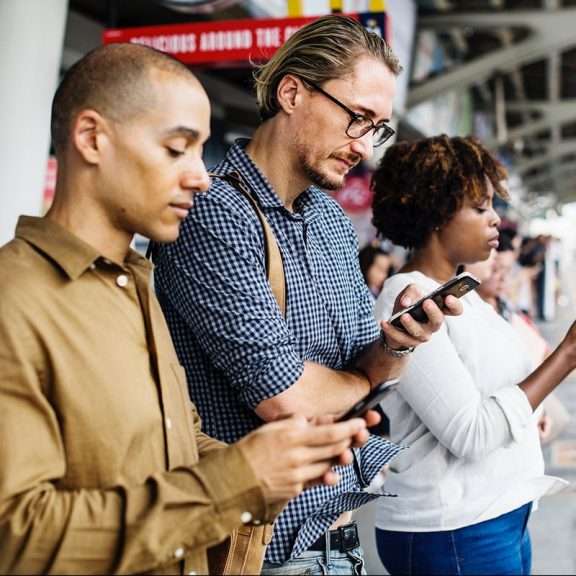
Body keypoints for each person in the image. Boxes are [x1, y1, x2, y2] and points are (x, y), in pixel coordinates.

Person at [0, 43, 381, 576]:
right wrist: (237, 478)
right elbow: (17, 535)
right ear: (91, 138)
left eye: (201, 152)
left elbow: (172, 442)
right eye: (177, 149)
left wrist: (282, 459)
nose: (201, 176)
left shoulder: (131, 287)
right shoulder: (15, 300)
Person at [152, 15, 461, 574]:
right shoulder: (216, 213)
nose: (364, 146)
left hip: (337, 543)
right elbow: (286, 398)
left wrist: (399, 343)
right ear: (292, 91)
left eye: (379, 128)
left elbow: (373, 378)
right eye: (357, 119)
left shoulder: (331, 222)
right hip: (259, 550)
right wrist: (364, 377)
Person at [370, 134, 574, 575]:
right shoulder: (407, 300)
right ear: (437, 213)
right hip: (453, 531)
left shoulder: (464, 295)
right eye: (480, 208)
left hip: (496, 516)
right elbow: (471, 433)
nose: (495, 220)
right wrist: (567, 355)